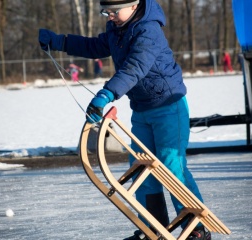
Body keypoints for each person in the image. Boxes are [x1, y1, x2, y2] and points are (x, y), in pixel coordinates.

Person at [39, 0, 211, 239]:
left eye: (114, 11)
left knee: (172, 167)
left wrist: (107, 93)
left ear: (134, 6)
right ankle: (153, 228)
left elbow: (135, 67)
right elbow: (95, 46)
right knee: (142, 168)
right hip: (141, 110)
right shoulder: (117, 28)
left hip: (169, 107)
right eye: (106, 12)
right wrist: (61, 41)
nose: (109, 16)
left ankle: (196, 229)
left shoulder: (148, 30)